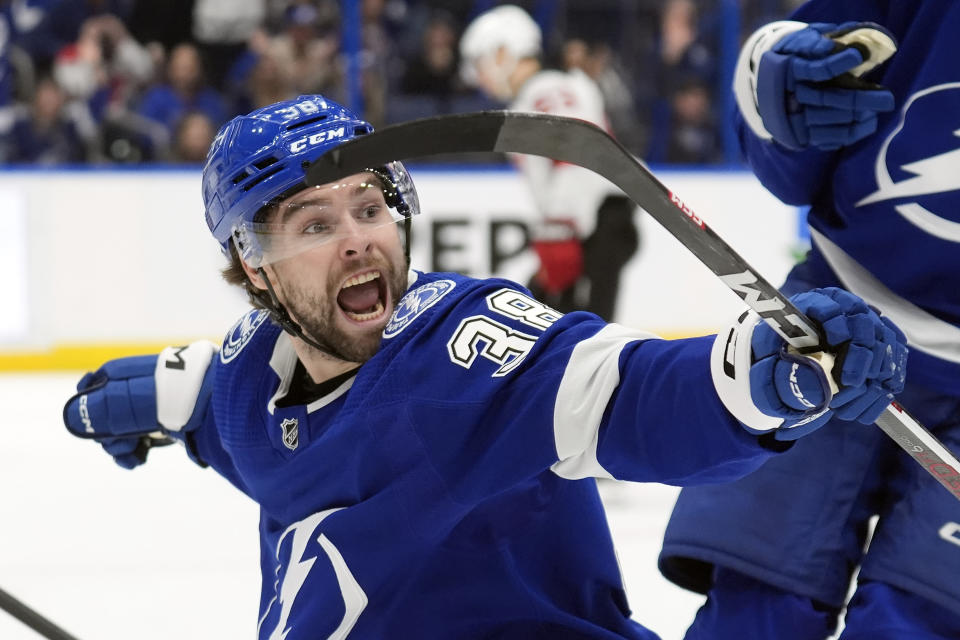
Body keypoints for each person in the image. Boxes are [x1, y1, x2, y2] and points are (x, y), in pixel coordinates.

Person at [62, 93, 908, 639]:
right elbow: (235, 418)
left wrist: (752, 378)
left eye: (371, 205)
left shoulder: (464, 353)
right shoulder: (249, 374)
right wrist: (168, 403)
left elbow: (627, 396)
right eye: (315, 224)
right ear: (254, 266)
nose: (360, 235)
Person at [658, 3, 960, 639]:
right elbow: (787, 143)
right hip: (839, 324)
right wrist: (774, 94)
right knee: (757, 611)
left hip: (837, 322)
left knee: (916, 623)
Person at [459, 4, 640, 322]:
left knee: (581, 337)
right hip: (592, 222)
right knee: (564, 329)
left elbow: (578, 152)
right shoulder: (545, 90)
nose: (480, 77)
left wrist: (561, 230)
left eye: (481, 62)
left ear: (503, 53)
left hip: (593, 224)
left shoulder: (546, 89)